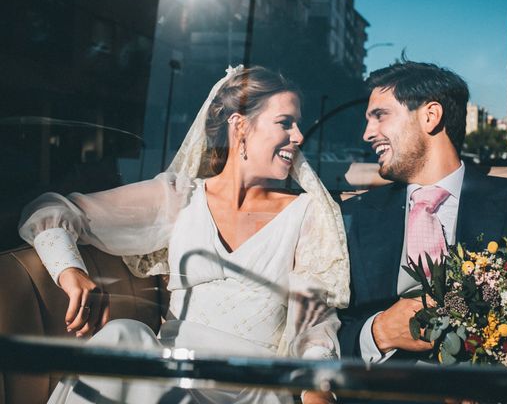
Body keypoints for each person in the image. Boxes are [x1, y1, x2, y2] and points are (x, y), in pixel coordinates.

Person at [18, 66, 349, 404]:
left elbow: (314, 321)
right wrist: (70, 272)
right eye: (285, 123)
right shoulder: (178, 196)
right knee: (124, 335)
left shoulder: (305, 212)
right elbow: (48, 213)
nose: (299, 137)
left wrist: (316, 388)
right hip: (173, 377)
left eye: (298, 124)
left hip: (252, 390)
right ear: (240, 126)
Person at [338, 60, 507, 364]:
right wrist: (377, 333)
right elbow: (318, 330)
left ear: (431, 116)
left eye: (380, 116)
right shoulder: (354, 215)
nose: (368, 133)